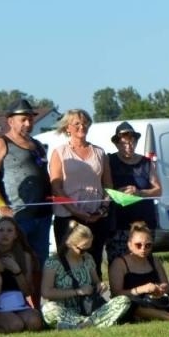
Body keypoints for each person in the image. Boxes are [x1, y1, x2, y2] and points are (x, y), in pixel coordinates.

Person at [48, 109, 114, 272]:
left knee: (94, 260)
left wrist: (103, 209)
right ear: (67, 128)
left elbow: (108, 186)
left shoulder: (99, 152)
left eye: (85, 122)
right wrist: (76, 211)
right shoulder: (60, 152)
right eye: (76, 123)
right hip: (68, 216)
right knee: (69, 262)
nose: (81, 126)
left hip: (96, 216)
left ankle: (95, 295)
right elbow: (56, 187)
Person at [39, 220, 133, 329]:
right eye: (82, 249)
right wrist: (77, 292)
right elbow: (46, 293)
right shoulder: (53, 263)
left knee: (124, 300)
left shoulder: (88, 258)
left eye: (89, 248)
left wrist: (100, 285)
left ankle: (81, 325)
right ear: (69, 243)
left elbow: (96, 281)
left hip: (91, 309)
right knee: (49, 309)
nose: (86, 252)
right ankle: (92, 323)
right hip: (66, 310)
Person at [0, 97, 53, 264]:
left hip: (43, 214)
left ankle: (36, 291)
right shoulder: (2, 143)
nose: (28, 124)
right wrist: (1, 205)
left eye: (30, 119)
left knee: (40, 261)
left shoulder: (37, 144)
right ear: (10, 121)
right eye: (23, 120)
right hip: (18, 215)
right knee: (16, 261)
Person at [109, 220, 169, 321]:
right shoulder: (119, 263)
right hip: (138, 305)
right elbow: (116, 294)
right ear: (129, 245)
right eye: (138, 245)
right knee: (129, 304)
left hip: (158, 303)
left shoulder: (154, 261)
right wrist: (143, 289)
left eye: (148, 245)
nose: (143, 249)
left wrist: (161, 289)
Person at [106, 121, 161, 261]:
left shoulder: (146, 163)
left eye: (132, 142)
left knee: (143, 262)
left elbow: (158, 190)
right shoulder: (109, 161)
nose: (128, 146)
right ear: (117, 144)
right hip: (118, 223)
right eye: (124, 143)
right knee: (119, 261)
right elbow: (104, 188)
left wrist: (139, 193)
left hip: (143, 222)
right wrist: (117, 192)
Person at [0, 215, 44, 333]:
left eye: (9, 230)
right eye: (0, 230)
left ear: (16, 235)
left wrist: (16, 270)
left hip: (18, 302)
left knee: (35, 322)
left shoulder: (24, 256)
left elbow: (28, 291)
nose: (5, 234)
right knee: (16, 325)